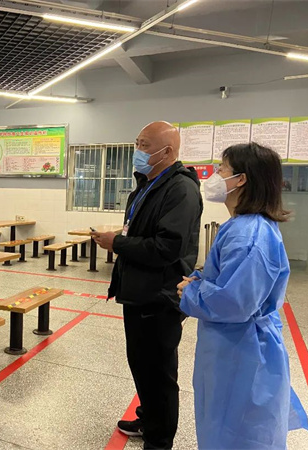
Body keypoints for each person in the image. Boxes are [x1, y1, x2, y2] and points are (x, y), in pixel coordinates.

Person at [178, 142, 308, 449]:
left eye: (221, 168)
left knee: (238, 432)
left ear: (241, 179)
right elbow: (232, 280)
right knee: (222, 425)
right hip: (232, 347)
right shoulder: (241, 226)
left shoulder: (249, 234)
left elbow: (235, 302)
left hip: (242, 352)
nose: (214, 175)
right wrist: (202, 279)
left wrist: (191, 291)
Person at [93, 121, 203, 449]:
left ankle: (159, 440)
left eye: (144, 145)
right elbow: (143, 231)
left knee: (159, 373)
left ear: (167, 152)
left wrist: (117, 243)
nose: (137, 151)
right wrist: (121, 237)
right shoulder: (149, 183)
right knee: (142, 365)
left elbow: (166, 247)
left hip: (160, 297)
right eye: (137, 143)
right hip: (139, 293)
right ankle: (148, 418)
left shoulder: (180, 189)